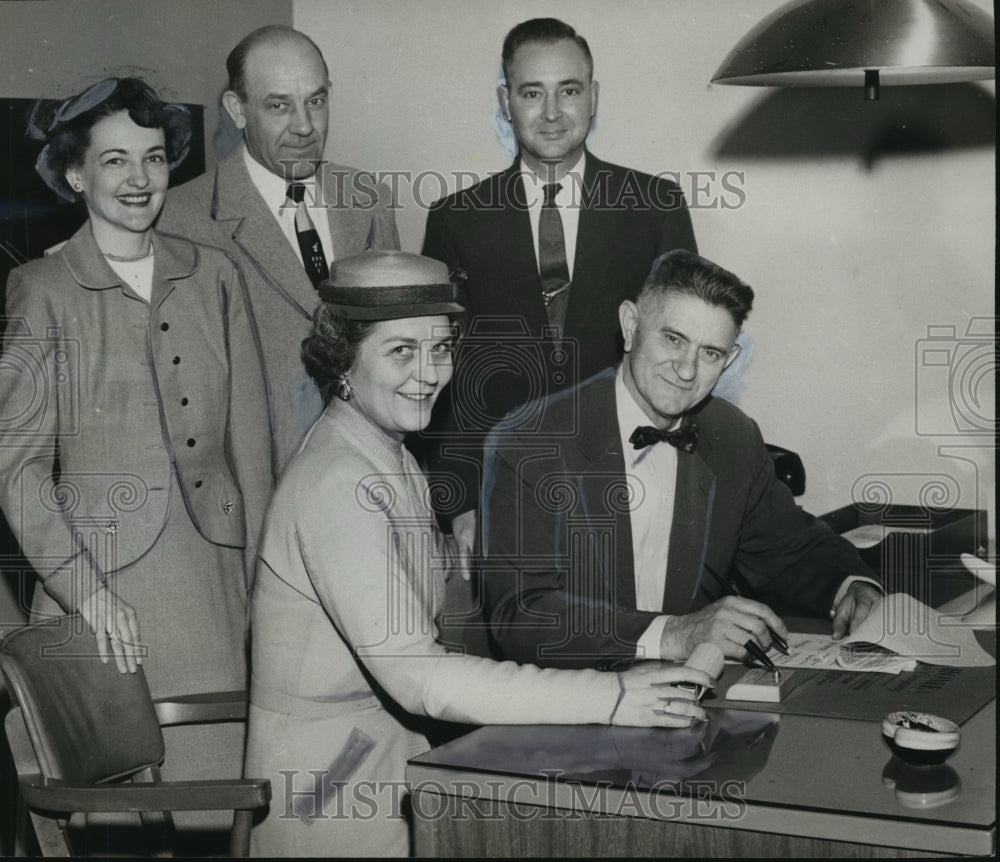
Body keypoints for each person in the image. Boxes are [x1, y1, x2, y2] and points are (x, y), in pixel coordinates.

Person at [244, 250, 716, 857]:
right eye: (401, 351)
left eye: (440, 348)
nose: (429, 374)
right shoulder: (339, 483)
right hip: (329, 798)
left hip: (388, 761)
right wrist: (615, 697)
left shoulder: (384, 450)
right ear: (344, 359)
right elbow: (420, 677)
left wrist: (616, 670)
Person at [0, 78, 272, 798]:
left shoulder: (214, 275)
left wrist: (263, 597)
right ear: (74, 173)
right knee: (116, 824)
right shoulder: (43, 289)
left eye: (153, 158)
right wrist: (88, 594)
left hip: (214, 598)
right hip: (97, 599)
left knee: (218, 807)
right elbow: (16, 472)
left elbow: (253, 450)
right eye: (115, 160)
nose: (139, 178)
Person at [480, 250, 881, 668]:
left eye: (710, 354)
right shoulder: (531, 439)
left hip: (694, 701)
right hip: (570, 703)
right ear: (631, 326)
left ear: (728, 360)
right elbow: (520, 616)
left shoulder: (733, 437)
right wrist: (673, 634)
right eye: (673, 339)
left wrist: (852, 587)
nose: (687, 371)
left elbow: (792, 549)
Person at [421, 17, 698, 560]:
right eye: (531, 93)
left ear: (593, 97)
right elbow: (441, 369)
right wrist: (459, 501)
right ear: (505, 101)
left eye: (568, 91)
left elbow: (681, 356)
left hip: (630, 486)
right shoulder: (456, 219)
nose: (551, 113)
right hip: (503, 491)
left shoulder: (655, 207)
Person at [159, 24, 400, 471]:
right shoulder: (180, 219)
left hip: (366, 482)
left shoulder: (369, 200)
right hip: (254, 494)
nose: (305, 126)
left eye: (316, 100)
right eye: (278, 106)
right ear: (238, 109)